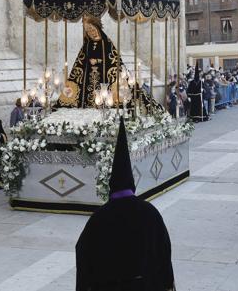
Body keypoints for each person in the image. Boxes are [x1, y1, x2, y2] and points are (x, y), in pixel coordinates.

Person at [76, 117, 175, 291]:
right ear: (132, 183)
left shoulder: (98, 218)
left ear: (111, 185)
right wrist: (165, 283)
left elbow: (83, 255)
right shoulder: (150, 213)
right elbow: (164, 252)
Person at [57, 15, 123, 108]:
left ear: (97, 27)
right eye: (88, 31)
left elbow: (113, 61)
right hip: (88, 78)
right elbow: (80, 62)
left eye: (92, 29)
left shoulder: (107, 43)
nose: (91, 33)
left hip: (104, 78)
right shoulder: (87, 44)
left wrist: (97, 60)